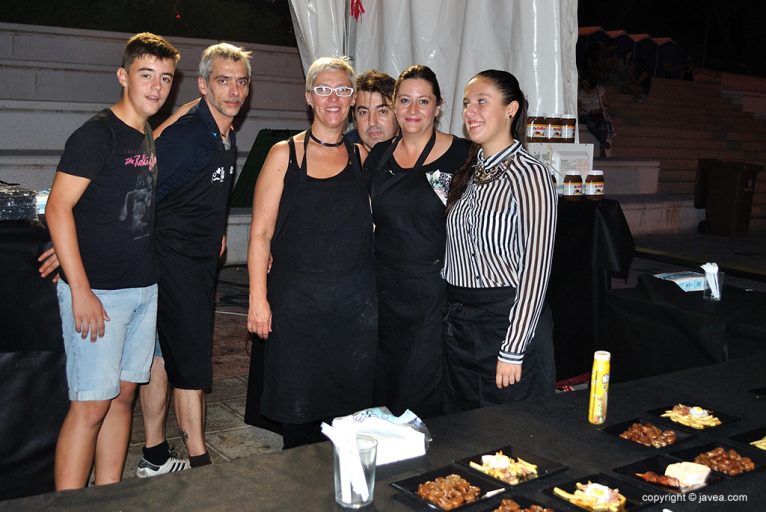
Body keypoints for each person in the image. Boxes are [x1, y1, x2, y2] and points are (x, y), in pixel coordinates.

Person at [45, 33, 179, 490]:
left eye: (165, 78)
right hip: (98, 294)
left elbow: (103, 207)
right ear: (123, 76)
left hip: (143, 288)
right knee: (90, 406)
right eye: (146, 75)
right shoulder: (95, 134)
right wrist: (80, 289)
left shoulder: (145, 133)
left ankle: (108, 496)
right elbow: (57, 208)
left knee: (122, 400)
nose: (156, 87)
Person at [246, 57, 377, 449]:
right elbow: (260, 234)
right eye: (323, 89)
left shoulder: (363, 158)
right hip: (297, 310)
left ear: (352, 98)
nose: (332, 98)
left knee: (349, 425)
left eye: (342, 90)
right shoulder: (283, 155)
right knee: (300, 424)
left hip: (354, 313)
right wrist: (258, 299)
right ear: (308, 97)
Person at [135, 43, 252, 476]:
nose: (235, 90)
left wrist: (216, 227)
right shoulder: (187, 137)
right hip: (174, 263)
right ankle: (204, 465)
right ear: (204, 85)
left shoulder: (223, 131)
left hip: (197, 260)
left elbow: (205, 192)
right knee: (191, 366)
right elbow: (141, 190)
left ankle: (154, 456)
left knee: (161, 358)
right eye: (223, 80)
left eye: (241, 81)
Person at [441, 69, 557, 412]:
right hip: (461, 327)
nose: (469, 111)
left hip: (506, 323)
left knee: (513, 437)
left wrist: (514, 347)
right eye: (465, 104)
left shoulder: (530, 174)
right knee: (462, 434)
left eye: (481, 101)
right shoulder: (467, 172)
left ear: (511, 109)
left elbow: (537, 268)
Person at [364, 65, 471, 419]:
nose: (412, 110)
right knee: (386, 389)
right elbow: (361, 220)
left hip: (435, 296)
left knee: (425, 394)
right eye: (405, 101)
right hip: (385, 292)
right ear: (394, 105)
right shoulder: (378, 156)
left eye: (423, 101)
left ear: (438, 106)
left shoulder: (465, 157)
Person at [350, 69, 398, 151]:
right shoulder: (342, 156)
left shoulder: (421, 154)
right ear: (354, 117)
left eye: (382, 111)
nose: (372, 122)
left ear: (398, 114)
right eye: (363, 112)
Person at [578, 75, 614, 157]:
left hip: (598, 113)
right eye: (583, 83)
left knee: (602, 124)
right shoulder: (580, 93)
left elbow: (607, 104)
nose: (585, 85)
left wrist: (598, 110)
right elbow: (578, 105)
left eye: (586, 83)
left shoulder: (599, 90)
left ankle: (602, 144)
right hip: (586, 114)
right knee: (590, 123)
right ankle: (603, 143)